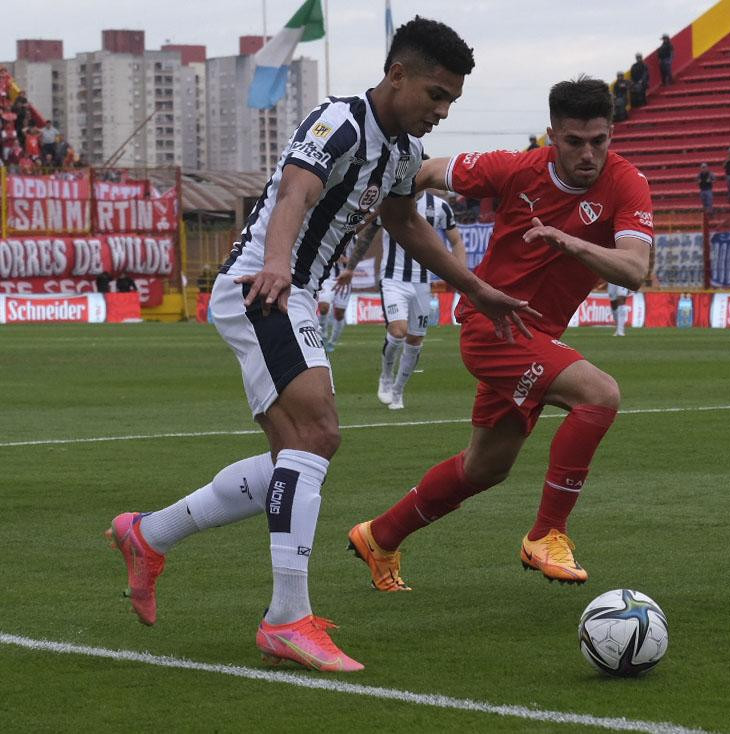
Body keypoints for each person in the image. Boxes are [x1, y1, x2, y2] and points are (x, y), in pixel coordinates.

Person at [104, 16, 534, 674]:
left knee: (293, 455)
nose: (442, 112)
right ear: (397, 75)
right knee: (317, 432)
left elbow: (403, 224)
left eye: (452, 101)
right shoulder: (340, 121)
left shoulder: (399, 153)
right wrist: (277, 264)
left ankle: (148, 534)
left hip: (289, 290)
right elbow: (296, 193)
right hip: (264, 285)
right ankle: (286, 620)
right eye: (436, 95)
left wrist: (473, 288)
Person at [346, 76, 654, 592]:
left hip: (534, 339)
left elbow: (633, 268)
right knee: (600, 394)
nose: (588, 154)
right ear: (552, 135)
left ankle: (379, 536)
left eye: (599, 141)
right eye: (574, 141)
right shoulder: (516, 167)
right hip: (493, 328)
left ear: (611, 134)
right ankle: (547, 533)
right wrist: (366, 201)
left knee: (485, 467)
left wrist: (568, 242)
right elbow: (427, 171)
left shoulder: (626, 183)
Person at [341, 184, 467, 410]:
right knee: (398, 331)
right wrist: (350, 268)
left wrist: (462, 274)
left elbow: (456, 240)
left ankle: (398, 390)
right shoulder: (389, 203)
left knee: (415, 340)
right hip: (393, 279)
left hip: (421, 282)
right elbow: (367, 236)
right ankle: (386, 376)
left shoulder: (439, 207)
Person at [316, 257, 351, 352]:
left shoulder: (354, 242)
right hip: (327, 279)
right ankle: (323, 335)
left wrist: (348, 260)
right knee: (323, 307)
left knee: (339, 315)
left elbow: (358, 256)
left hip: (344, 281)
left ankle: (333, 342)